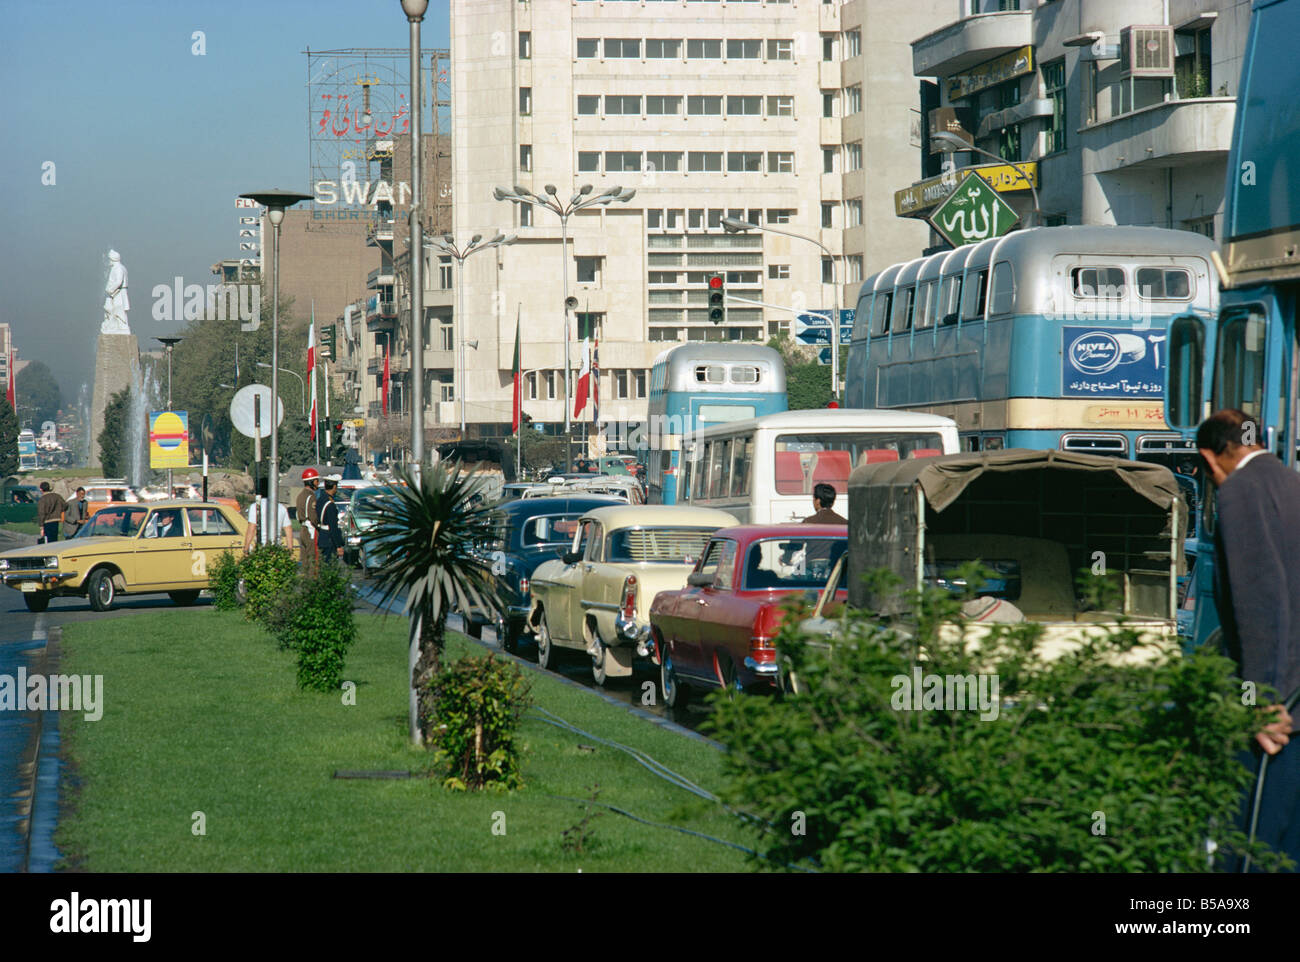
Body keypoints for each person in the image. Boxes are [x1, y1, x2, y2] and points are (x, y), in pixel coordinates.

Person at [1196, 409, 1299, 868]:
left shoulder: (1240, 492)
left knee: (1251, 840)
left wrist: (1262, 699)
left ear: (1209, 458)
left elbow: (1261, 603)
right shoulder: (1292, 485)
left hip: (1277, 705)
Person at [244, 476, 293, 554]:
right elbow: (288, 529)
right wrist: (290, 549)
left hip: (261, 548)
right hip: (277, 548)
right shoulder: (281, 507)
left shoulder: (255, 507)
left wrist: (246, 548)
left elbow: (251, 529)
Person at [295, 468, 321, 572]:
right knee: (313, 558)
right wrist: (319, 526)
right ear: (311, 482)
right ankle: (312, 583)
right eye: (316, 480)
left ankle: (306, 581)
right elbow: (313, 516)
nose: (317, 483)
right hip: (311, 529)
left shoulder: (300, 495)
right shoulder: (311, 496)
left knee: (305, 559)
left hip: (303, 528)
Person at [316, 477, 343, 564]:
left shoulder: (321, 499)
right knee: (329, 565)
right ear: (334, 487)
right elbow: (333, 527)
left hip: (322, 536)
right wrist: (338, 545)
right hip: (329, 539)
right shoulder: (330, 504)